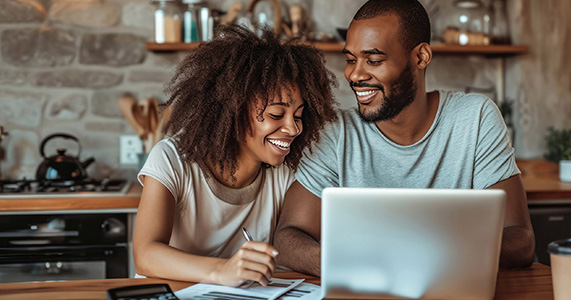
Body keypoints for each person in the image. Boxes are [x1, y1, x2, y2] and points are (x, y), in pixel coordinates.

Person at [273, 0, 535, 277]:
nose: (355, 74)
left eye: (373, 60)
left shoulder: (475, 118)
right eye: (351, 59)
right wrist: (345, 263)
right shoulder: (336, 132)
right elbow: (289, 236)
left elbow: (520, 240)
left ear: (421, 57)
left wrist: (435, 256)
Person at [133, 25, 338, 286]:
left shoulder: (287, 174)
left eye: (298, 115)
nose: (293, 128)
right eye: (276, 115)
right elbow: (145, 254)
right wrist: (223, 271)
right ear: (234, 111)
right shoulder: (172, 159)